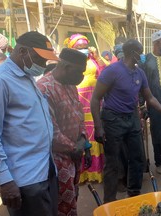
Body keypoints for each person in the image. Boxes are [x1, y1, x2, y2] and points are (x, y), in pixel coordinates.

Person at [90, 39, 161, 203]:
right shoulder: (112, 71)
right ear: (132, 53)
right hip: (113, 119)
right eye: (140, 51)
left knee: (137, 158)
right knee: (113, 162)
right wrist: (98, 127)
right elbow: (95, 99)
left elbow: (150, 97)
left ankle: (133, 194)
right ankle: (109, 201)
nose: (142, 55)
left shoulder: (140, 73)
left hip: (132, 117)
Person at [0, 31, 59, 216]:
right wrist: (5, 180)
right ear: (22, 51)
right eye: (40, 58)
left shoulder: (26, 76)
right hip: (24, 179)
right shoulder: (0, 80)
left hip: (45, 169)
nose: (42, 65)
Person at [37, 48, 92, 215]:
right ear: (67, 67)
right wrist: (74, 148)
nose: (82, 76)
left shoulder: (70, 85)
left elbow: (79, 115)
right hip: (57, 159)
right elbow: (50, 131)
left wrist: (85, 144)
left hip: (75, 153)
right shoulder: (44, 89)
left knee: (73, 197)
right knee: (62, 204)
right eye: (80, 72)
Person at [65, 33, 108, 183]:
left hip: (94, 101)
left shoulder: (93, 60)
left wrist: (97, 57)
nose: (83, 50)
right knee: (81, 134)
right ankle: (82, 173)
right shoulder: (69, 63)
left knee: (96, 132)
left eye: (84, 47)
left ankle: (96, 171)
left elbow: (104, 73)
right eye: (79, 47)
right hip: (78, 101)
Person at [140, 30, 161, 175]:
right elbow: (141, 84)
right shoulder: (145, 60)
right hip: (153, 102)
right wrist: (142, 105)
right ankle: (159, 161)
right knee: (156, 131)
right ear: (156, 43)